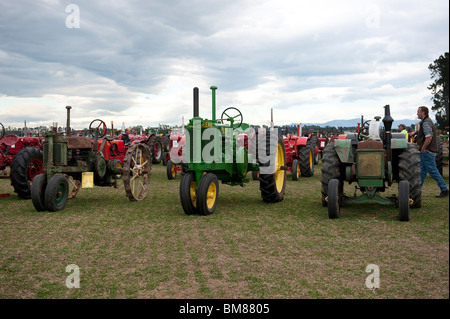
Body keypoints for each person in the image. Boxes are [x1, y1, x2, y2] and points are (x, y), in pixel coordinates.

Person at [415, 106, 448, 197]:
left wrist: (423, 148)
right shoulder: (427, 121)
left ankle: (444, 189)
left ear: (423, 113)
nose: (417, 113)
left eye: (418, 112)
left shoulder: (426, 123)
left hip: (427, 151)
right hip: (428, 151)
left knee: (433, 171)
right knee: (422, 172)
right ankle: (417, 190)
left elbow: (429, 136)